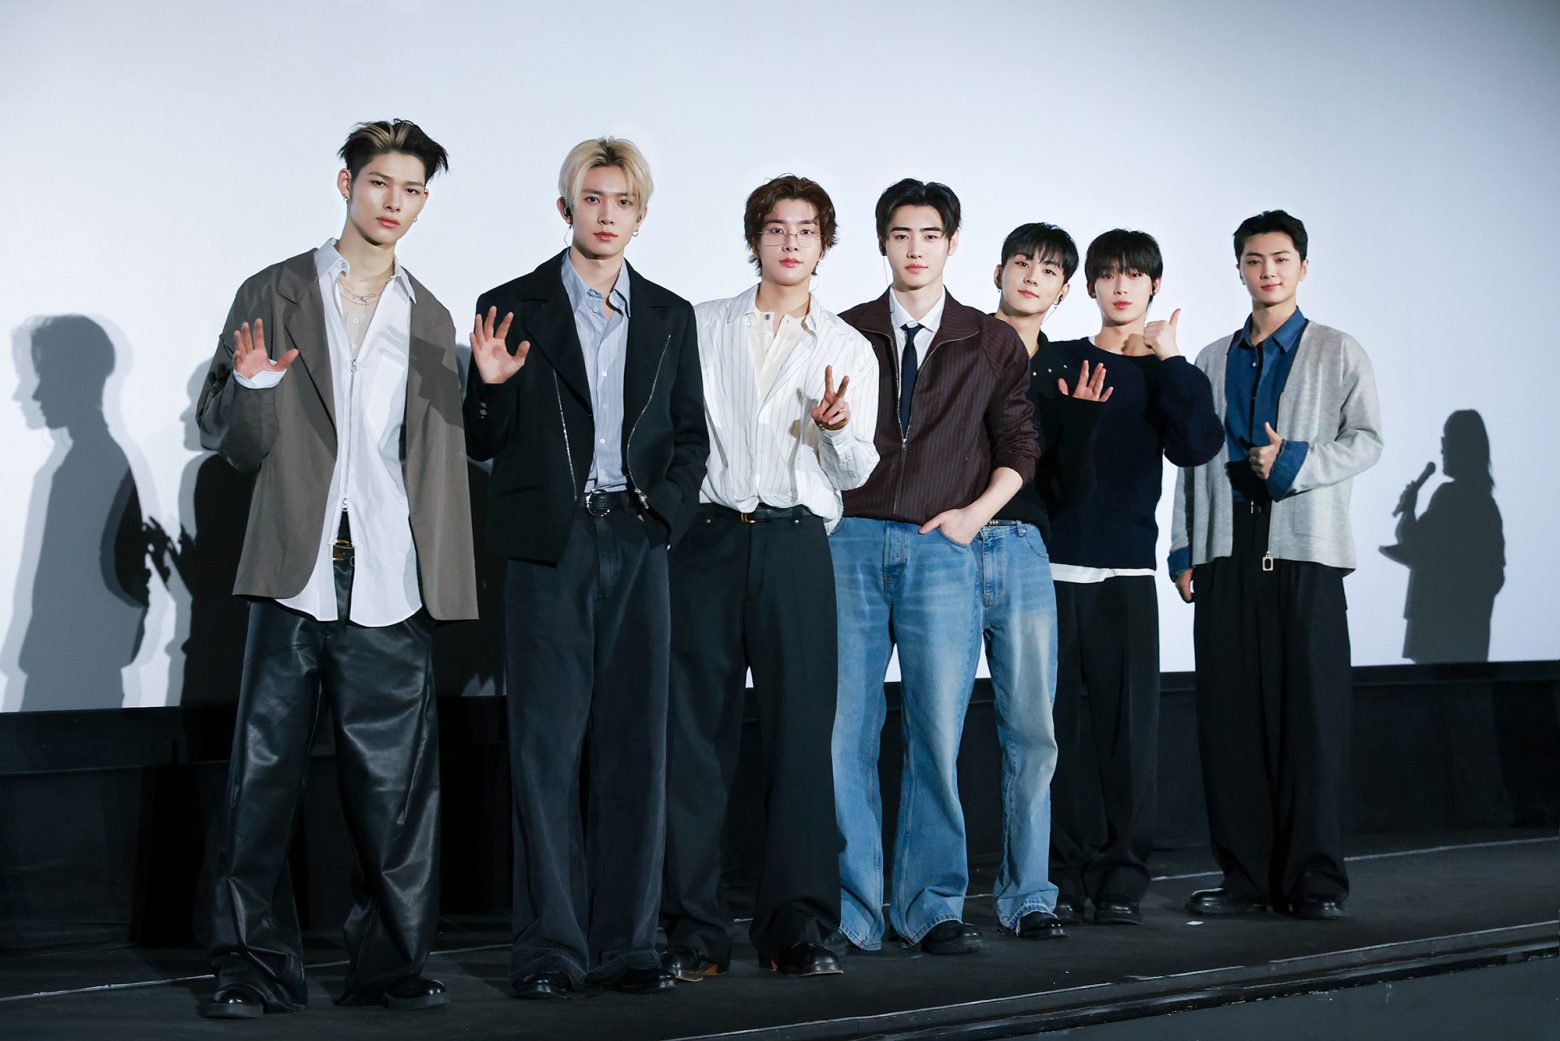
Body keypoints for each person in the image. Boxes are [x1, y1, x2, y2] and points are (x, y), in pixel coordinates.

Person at [197, 120, 475, 1017]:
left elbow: (434, 458)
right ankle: (250, 967)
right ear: (347, 183)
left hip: (390, 571)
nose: (395, 203)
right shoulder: (274, 290)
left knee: (396, 791)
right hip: (295, 567)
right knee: (261, 781)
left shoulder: (429, 315)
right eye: (380, 183)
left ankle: (391, 964)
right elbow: (230, 441)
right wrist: (252, 387)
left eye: (413, 189)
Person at [464, 137, 707, 997]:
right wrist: (489, 385)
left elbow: (690, 436)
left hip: (637, 541)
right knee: (545, 751)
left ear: (641, 214)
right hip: (551, 548)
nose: (608, 215)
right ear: (566, 208)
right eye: (593, 199)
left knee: (637, 747)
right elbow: (482, 437)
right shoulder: (512, 305)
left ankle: (627, 943)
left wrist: (663, 513)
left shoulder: (670, 314)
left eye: (623, 201)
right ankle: (549, 949)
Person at [659, 175, 879, 982]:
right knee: (693, 739)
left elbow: (856, 470)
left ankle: (798, 928)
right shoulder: (700, 324)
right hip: (709, 541)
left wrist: (837, 429)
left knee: (800, 738)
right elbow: (676, 434)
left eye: (806, 229)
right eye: (776, 228)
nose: (791, 242)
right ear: (754, 238)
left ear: (825, 244)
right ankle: (693, 930)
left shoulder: (847, 346)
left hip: (795, 544)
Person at [831, 179, 1038, 956]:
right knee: (844, 731)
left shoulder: (990, 340)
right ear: (882, 243)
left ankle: (930, 903)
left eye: (928, 235)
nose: (914, 249)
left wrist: (972, 517)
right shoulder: (844, 330)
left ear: (952, 243)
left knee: (936, 731)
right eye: (900, 235)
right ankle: (852, 907)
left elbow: (1020, 445)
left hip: (944, 549)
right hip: (850, 542)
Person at [1170, 209, 1382, 921]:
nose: (1268, 271)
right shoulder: (1211, 359)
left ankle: (1314, 879)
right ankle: (1247, 879)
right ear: (1238, 268)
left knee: (1311, 723)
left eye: (1281, 259)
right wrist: (1185, 545)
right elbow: (1192, 459)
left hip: (1304, 556)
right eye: (1255, 260)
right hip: (1226, 553)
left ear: (1303, 267)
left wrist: (1293, 461)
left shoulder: (1337, 350)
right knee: (1229, 721)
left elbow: (1367, 438)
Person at [1046, 229, 1222, 926]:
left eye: (1135, 275)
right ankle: (1059, 874)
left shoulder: (1165, 371)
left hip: (1125, 569)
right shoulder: (1060, 359)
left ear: (1154, 285)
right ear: (1090, 285)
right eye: (1109, 274)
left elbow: (1198, 445)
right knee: (1053, 734)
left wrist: (1171, 357)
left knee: (1128, 735)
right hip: (1052, 566)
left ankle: (1122, 875)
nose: (1122, 286)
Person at [982, 222, 1111, 940]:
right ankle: (925, 900)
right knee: (932, 729)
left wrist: (1082, 423)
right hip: (947, 542)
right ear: (998, 271)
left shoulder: (1065, 369)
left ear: (1064, 291)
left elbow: (1065, 495)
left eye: (1051, 269)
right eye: (1023, 261)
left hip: (1026, 547)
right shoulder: (958, 344)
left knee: (1034, 730)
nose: (1033, 275)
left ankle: (1029, 894)